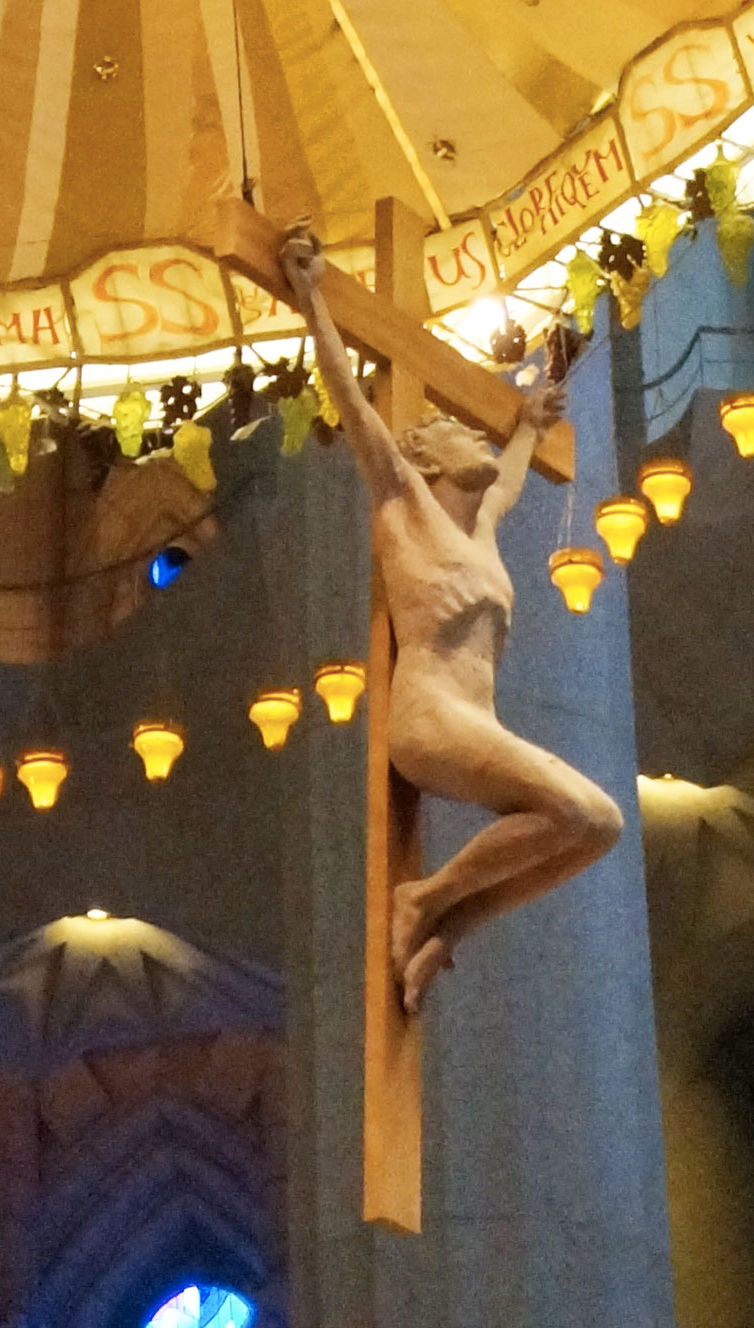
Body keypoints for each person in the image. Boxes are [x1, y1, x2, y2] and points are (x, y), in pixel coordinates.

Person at [281, 220, 623, 1011]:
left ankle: (445, 924)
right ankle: (426, 900)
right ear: (426, 458)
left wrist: (529, 423)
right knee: (573, 809)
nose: (475, 436)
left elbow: (510, 477)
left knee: (601, 826)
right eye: (456, 432)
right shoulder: (403, 501)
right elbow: (350, 400)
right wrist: (311, 296)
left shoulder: (484, 531)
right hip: (430, 719)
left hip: (479, 721)